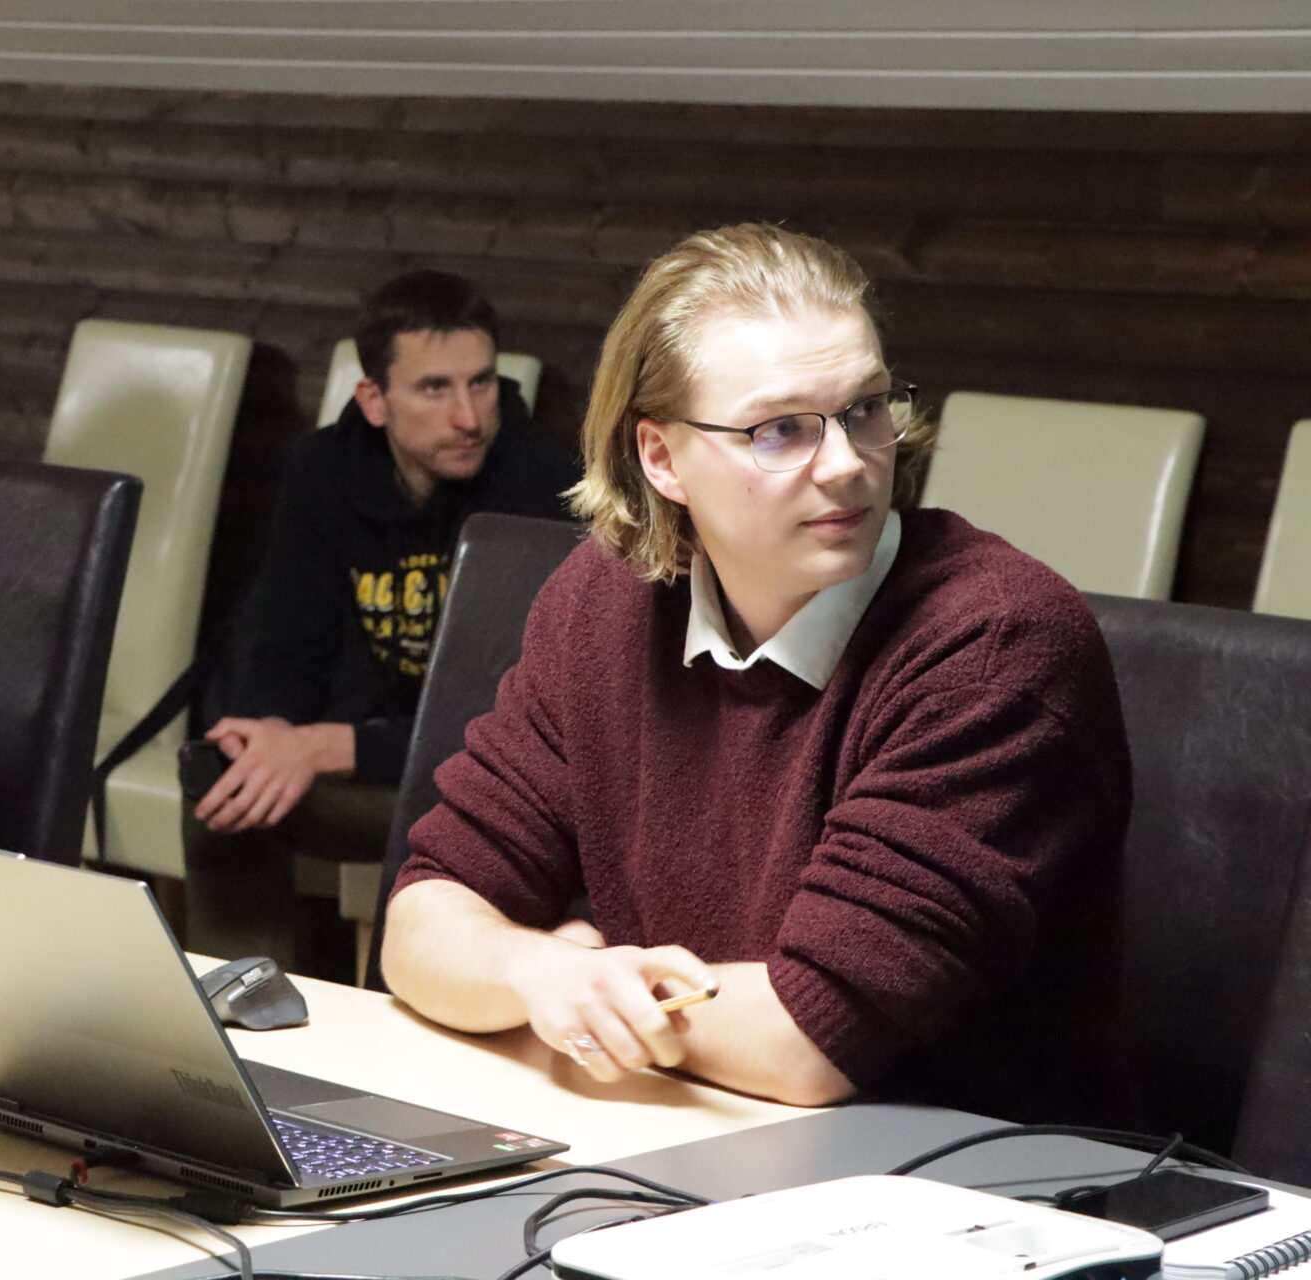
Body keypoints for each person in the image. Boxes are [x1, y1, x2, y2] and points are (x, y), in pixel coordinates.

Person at [381, 224, 1133, 1124]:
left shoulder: (996, 641)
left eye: (866, 408)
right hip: (680, 1131)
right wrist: (540, 971)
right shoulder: (602, 601)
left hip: (949, 1176)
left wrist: (590, 998)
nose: (849, 465)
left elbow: (808, 1041)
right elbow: (424, 919)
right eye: (781, 430)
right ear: (661, 458)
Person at [183, 270, 579, 972]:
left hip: (481, 779)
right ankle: (244, 1006)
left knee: (447, 816)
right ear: (374, 400)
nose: (468, 417)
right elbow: (285, 644)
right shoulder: (324, 471)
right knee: (224, 778)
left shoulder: (538, 484)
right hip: (375, 757)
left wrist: (326, 747)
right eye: (435, 389)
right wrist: (271, 732)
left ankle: (408, 1003)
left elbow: (502, 719)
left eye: (481, 383)